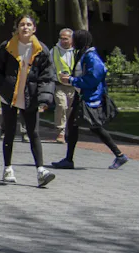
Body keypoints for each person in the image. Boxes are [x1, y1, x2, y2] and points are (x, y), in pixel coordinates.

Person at [0, 16, 57, 187]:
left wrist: (43, 98)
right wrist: (0, 87)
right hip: (10, 96)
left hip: (31, 97)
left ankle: (41, 170)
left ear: (34, 28)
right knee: (9, 132)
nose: (25, 27)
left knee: (34, 133)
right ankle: (8, 168)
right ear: (17, 28)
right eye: (22, 25)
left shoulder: (41, 50)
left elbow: (47, 76)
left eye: (28, 25)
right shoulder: (7, 47)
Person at [52, 29, 128, 170]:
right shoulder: (83, 54)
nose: (71, 41)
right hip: (81, 95)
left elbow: (94, 77)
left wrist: (72, 80)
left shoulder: (91, 57)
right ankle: (69, 159)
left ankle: (119, 154)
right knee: (73, 125)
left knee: (95, 127)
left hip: (89, 97)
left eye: (74, 38)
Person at [50, 28, 76, 142]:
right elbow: (49, 66)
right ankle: (60, 131)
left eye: (66, 39)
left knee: (70, 109)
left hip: (73, 85)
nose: (63, 41)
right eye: (62, 38)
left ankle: (69, 130)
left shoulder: (76, 52)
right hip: (59, 85)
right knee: (61, 106)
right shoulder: (54, 51)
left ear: (71, 39)